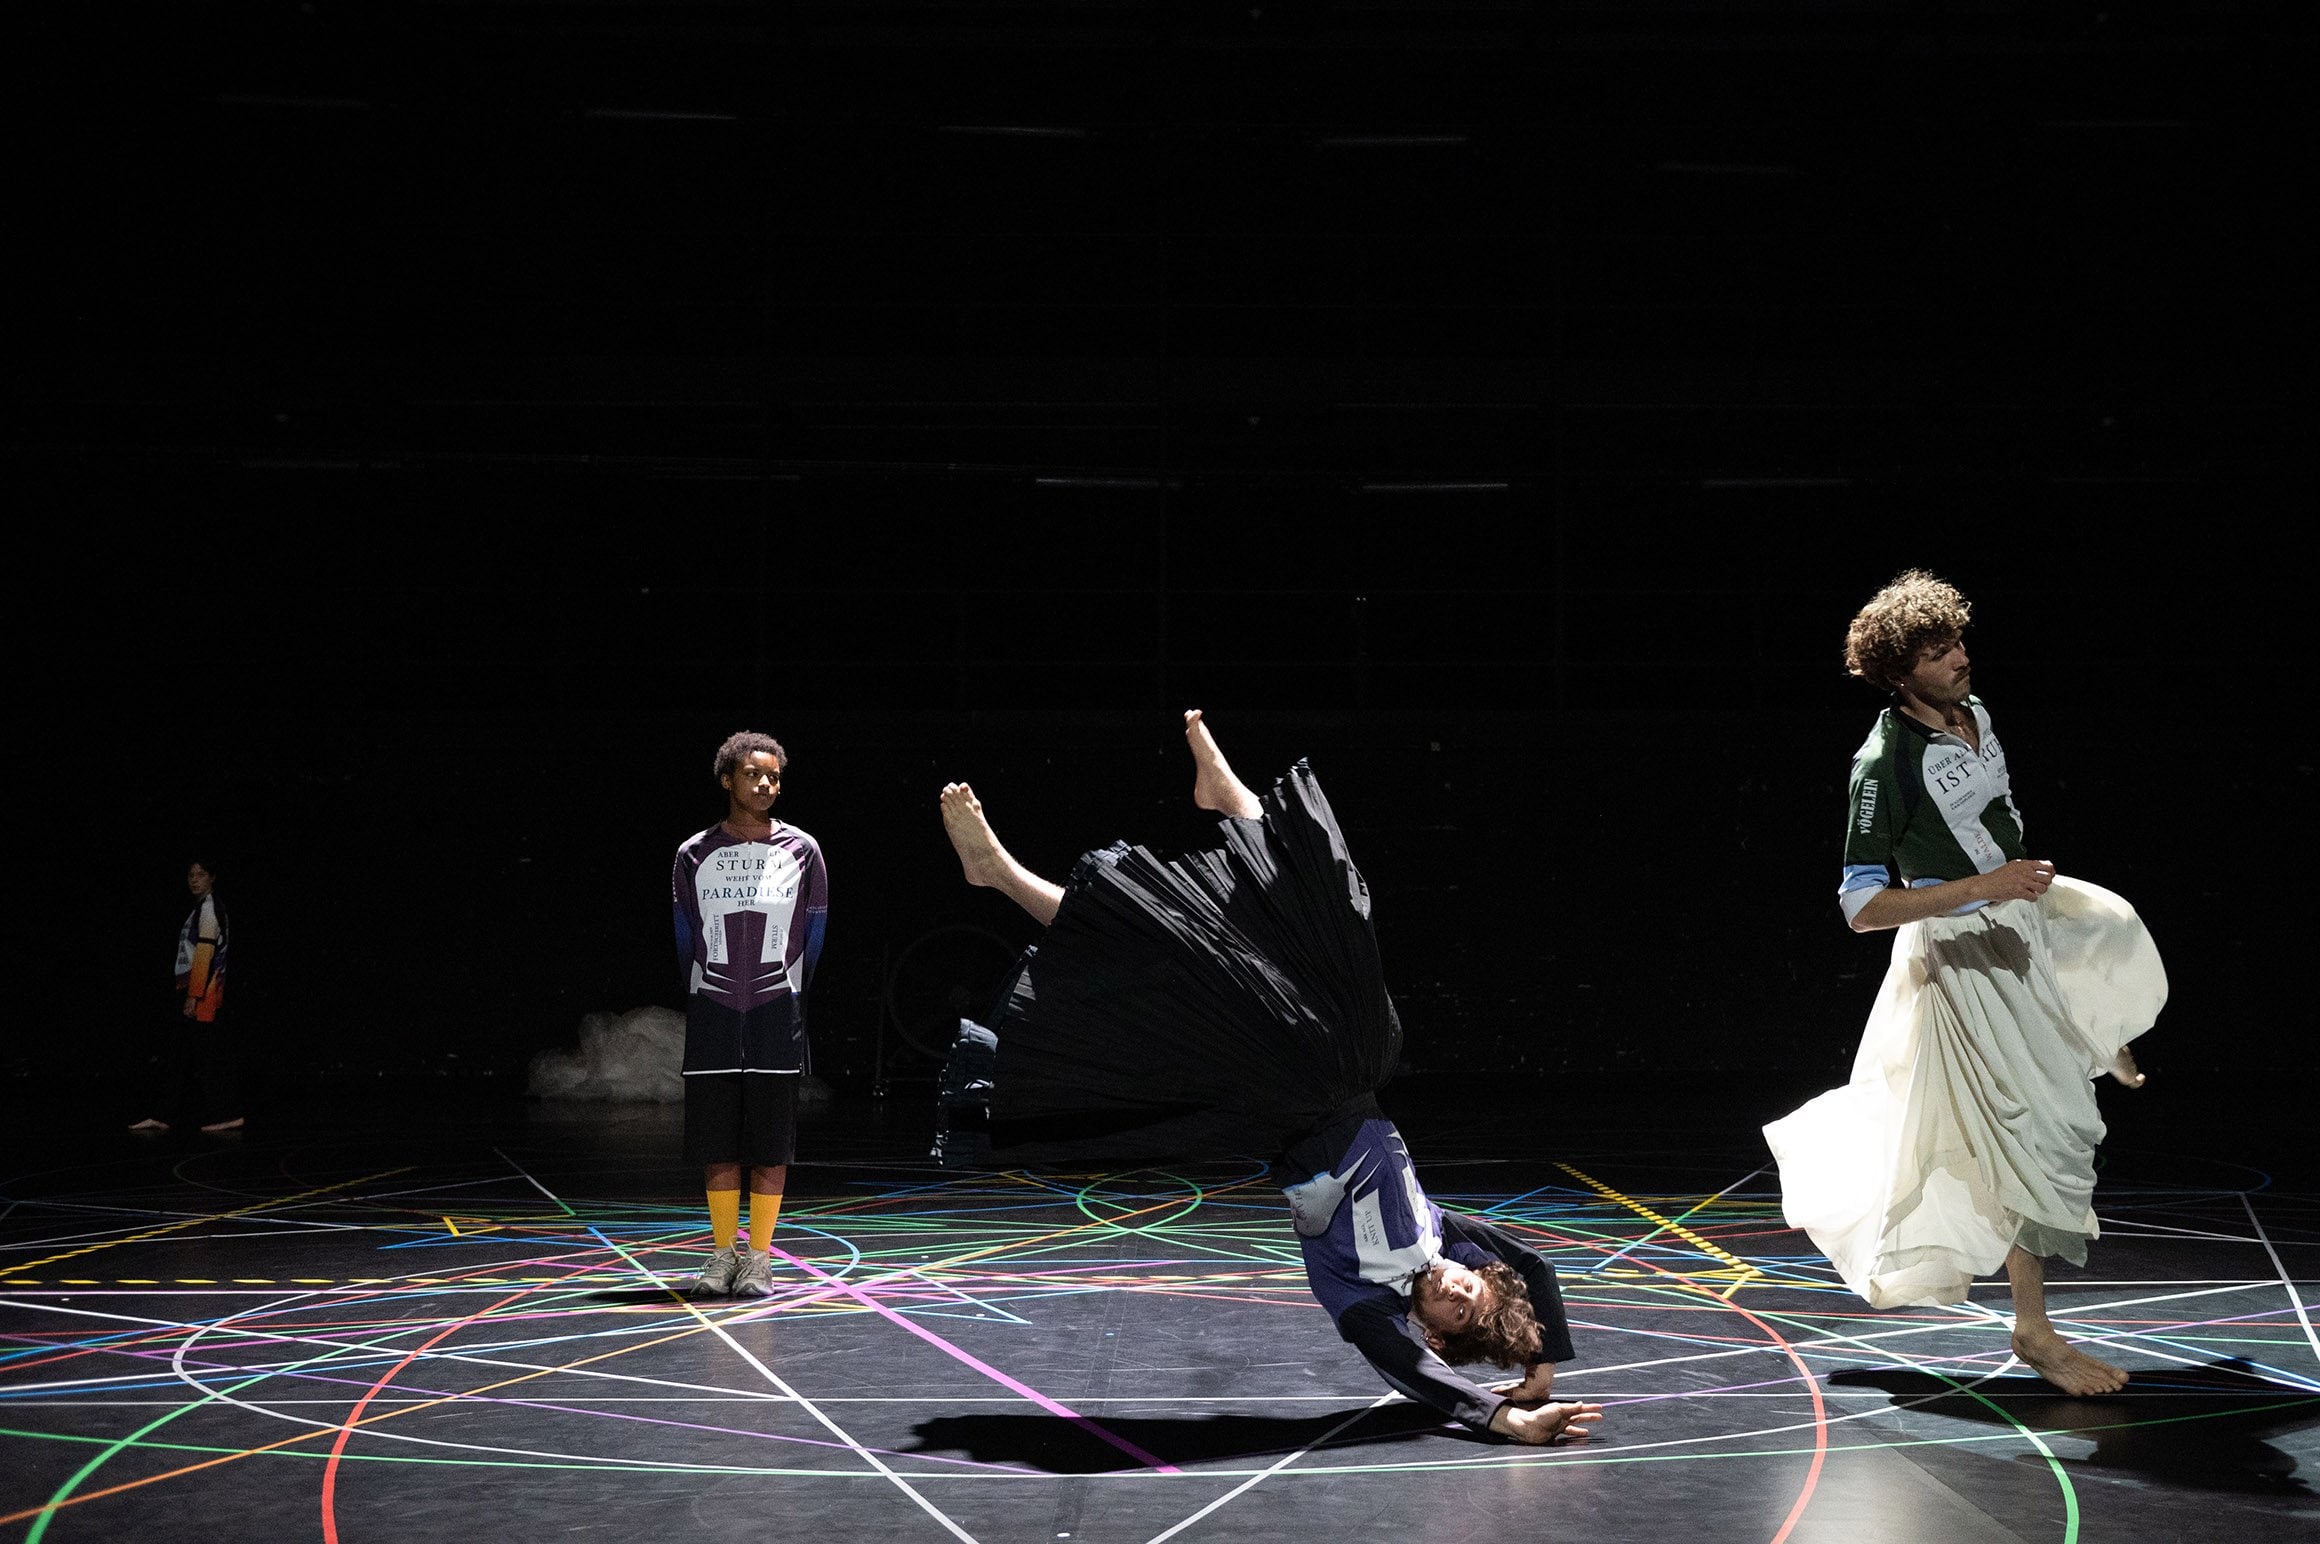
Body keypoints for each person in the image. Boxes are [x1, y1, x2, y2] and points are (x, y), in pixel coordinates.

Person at [931, 711, 1602, 1446]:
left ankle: (999, 873)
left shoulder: (1361, 1298)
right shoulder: (1442, 1239)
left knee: (1159, 950)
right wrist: (1542, 1367)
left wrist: (1508, 1419)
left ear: (1437, 1334)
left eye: (1459, 1308)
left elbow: (1409, 1372)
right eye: (1470, 1284)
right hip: (1350, 1059)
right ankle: (1234, 802)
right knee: (1332, 909)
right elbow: (1531, 1263)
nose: (1456, 1285)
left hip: (1280, 1090)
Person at [1764, 570, 2166, 1396]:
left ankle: (2090, 1036)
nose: (1959, 659)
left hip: (2019, 918)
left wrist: (2013, 883)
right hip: (1963, 955)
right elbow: (1861, 907)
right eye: (1937, 653)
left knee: (2113, 927)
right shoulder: (1883, 763)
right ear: (1899, 673)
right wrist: (1986, 886)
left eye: (1957, 642)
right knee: (2032, 1136)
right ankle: (2035, 1332)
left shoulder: (1973, 713)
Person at [672, 731, 828, 1298]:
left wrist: (787, 993)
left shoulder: (803, 850)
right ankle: (721, 1256)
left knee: (770, 1142)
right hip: (712, 1012)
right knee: (716, 1142)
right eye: (753, 774)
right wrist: (705, 993)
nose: (765, 784)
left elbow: (814, 932)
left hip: (775, 1012)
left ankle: (759, 1259)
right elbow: (685, 935)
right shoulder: (693, 853)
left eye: (774, 777)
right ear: (727, 780)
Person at [128, 858, 244, 1135]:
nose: (194, 879)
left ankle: (228, 1114)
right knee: (178, 1055)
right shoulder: (199, 909)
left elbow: (205, 953)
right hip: (193, 991)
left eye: (201, 874)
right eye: (191, 875)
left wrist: (194, 996)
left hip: (204, 995)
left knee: (206, 1056)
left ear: (212, 877)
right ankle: (162, 1115)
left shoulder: (209, 909)